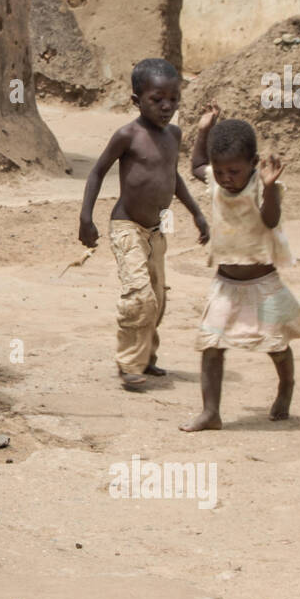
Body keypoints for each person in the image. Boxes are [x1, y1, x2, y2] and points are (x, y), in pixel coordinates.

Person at [78, 58, 210, 390]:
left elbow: (173, 176)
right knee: (140, 296)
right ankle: (129, 364)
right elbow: (97, 172)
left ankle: (147, 357)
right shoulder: (127, 135)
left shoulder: (174, 135)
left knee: (158, 299)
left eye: (173, 99)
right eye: (157, 99)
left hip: (157, 230)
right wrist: (86, 217)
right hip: (127, 226)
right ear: (137, 100)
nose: (167, 106)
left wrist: (196, 212)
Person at [180, 106, 300, 432]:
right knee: (211, 345)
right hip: (224, 284)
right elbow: (196, 164)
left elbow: (270, 220)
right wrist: (203, 130)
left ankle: (286, 387)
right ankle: (211, 412)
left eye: (234, 172)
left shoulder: (261, 186)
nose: (226, 178)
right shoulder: (216, 181)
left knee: (276, 345)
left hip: (263, 283)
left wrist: (268, 187)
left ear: (253, 164)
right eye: (221, 172)